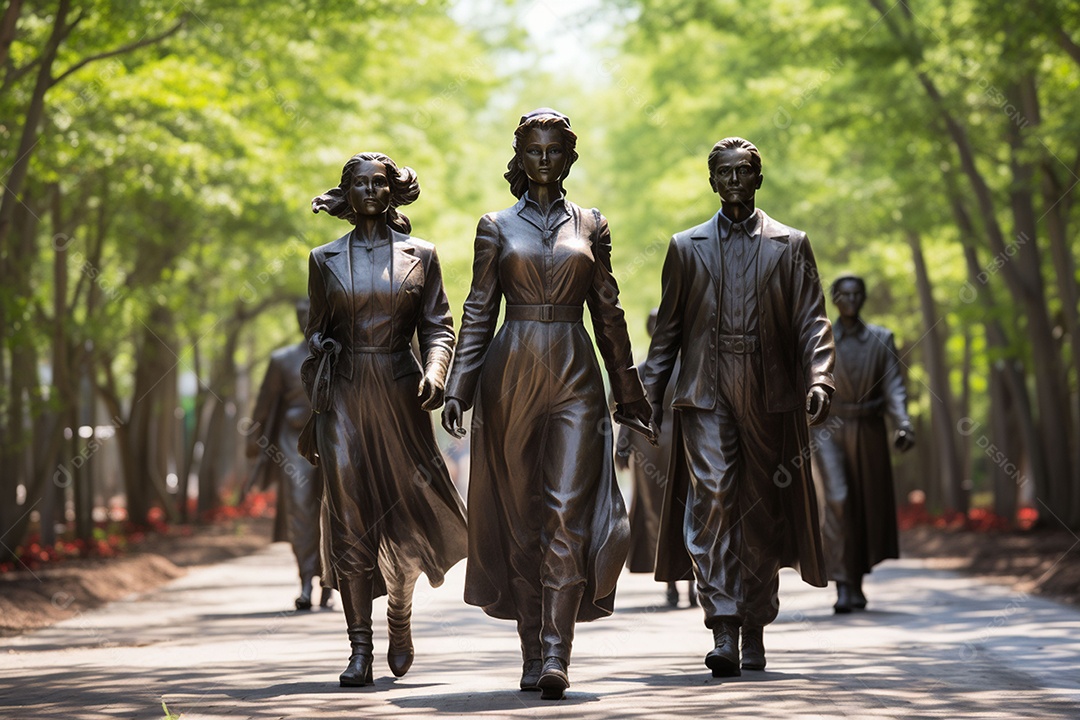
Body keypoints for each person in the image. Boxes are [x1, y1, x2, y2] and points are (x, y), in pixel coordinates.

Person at [442, 108, 652, 700]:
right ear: (520, 156)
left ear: (569, 157)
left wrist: (628, 389)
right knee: (521, 514)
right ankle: (531, 645)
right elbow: (479, 307)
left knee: (565, 510)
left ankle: (558, 653)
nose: (543, 160)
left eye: (554, 150)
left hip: (575, 373)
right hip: (510, 372)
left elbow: (607, 309)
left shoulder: (592, 224)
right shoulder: (494, 225)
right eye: (533, 150)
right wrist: (459, 384)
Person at [644, 137, 835, 677]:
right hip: (707, 391)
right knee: (714, 499)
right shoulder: (686, 247)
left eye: (742, 172)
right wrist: (646, 397)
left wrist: (820, 377)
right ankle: (723, 624)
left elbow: (811, 319)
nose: (733, 181)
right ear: (711, 181)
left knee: (759, 510)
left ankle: (755, 624)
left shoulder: (791, 244)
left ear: (757, 179)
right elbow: (669, 334)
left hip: (769, 388)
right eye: (723, 173)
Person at [302, 151, 468, 688]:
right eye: (362, 184)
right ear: (347, 195)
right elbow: (313, 329)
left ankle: (399, 609)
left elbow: (439, 326)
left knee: (404, 514)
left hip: (400, 393)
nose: (372, 191)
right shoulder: (323, 258)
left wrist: (438, 374)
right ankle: (359, 648)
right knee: (350, 513)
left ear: (393, 192)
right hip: (345, 395)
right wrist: (321, 342)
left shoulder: (421, 253)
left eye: (381, 183)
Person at [812, 275, 915, 613]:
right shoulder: (821, 339)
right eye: (844, 294)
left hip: (869, 429)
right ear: (835, 298)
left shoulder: (882, 338)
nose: (851, 300)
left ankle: (856, 582)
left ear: (864, 298)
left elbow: (895, 388)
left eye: (857, 294)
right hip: (830, 429)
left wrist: (902, 423)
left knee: (864, 504)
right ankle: (842, 583)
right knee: (840, 499)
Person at [245, 298, 331, 611]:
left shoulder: (334, 355)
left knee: (337, 508)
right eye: (300, 316)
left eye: (309, 314)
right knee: (301, 511)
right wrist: (253, 439)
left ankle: (330, 578)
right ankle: (307, 579)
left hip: (331, 435)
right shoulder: (282, 360)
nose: (304, 320)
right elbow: (264, 403)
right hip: (293, 442)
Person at [615, 309, 694, 608]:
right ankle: (671, 581)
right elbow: (629, 411)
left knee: (690, 509)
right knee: (656, 513)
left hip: (685, 444)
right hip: (649, 447)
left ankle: (693, 581)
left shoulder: (690, 366)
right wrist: (623, 444)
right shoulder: (643, 370)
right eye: (653, 325)